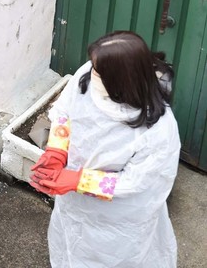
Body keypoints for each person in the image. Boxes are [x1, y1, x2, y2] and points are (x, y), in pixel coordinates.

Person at [29, 30, 180, 267]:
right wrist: (57, 151)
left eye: (98, 71)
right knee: (69, 248)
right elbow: (65, 112)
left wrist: (79, 180)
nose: (91, 72)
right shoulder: (90, 75)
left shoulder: (159, 130)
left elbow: (136, 182)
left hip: (118, 222)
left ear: (121, 79)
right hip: (74, 203)